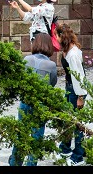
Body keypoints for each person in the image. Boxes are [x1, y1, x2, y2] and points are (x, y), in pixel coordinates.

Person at [8, 32, 58, 167]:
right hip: (40, 106)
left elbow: (20, 80)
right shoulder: (52, 65)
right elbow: (52, 85)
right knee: (36, 140)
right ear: (49, 46)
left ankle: (14, 163)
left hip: (25, 102)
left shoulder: (26, 60)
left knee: (20, 136)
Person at [55, 23, 87, 165]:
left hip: (76, 90)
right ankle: (65, 148)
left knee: (76, 123)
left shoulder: (73, 54)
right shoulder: (66, 50)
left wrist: (80, 97)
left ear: (62, 37)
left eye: (56, 36)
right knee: (68, 120)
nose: (55, 38)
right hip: (70, 87)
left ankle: (78, 156)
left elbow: (79, 76)